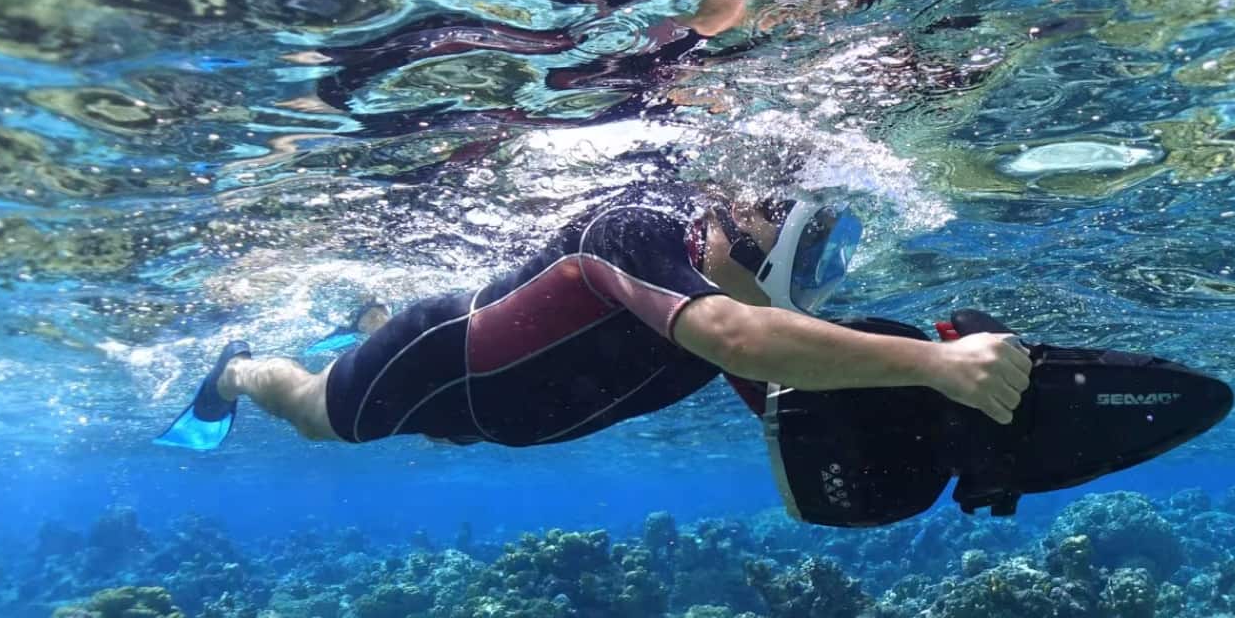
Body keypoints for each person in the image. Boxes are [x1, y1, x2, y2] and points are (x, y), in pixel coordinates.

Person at [157, 182, 1032, 451]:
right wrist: (933, 368)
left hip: (489, 419)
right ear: (729, 214)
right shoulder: (637, 230)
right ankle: (237, 366)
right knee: (315, 415)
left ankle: (360, 316)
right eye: (802, 248)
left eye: (825, 263)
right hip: (434, 359)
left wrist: (948, 416)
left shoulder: (747, 322)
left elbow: (796, 420)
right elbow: (737, 337)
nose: (804, 279)